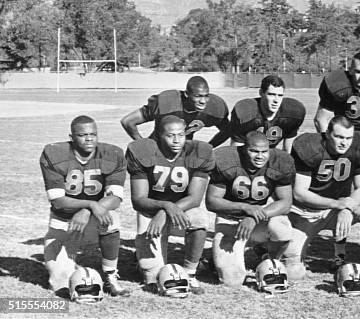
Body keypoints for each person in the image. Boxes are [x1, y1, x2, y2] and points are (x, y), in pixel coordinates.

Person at [39, 115, 129, 298]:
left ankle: (110, 277)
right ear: (71, 137)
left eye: (93, 134)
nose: (89, 139)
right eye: (83, 135)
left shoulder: (112, 154)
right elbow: (58, 200)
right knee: (60, 284)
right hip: (64, 222)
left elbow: (116, 198)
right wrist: (90, 204)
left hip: (93, 219)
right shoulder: (54, 153)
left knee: (112, 220)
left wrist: (88, 210)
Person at [125, 115, 215, 294]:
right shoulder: (144, 151)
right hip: (149, 211)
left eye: (181, 135)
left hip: (181, 209)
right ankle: (143, 262)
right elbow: (139, 200)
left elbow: (195, 199)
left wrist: (166, 211)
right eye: (170, 135)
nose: (176, 140)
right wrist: (165, 206)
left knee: (199, 218)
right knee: (154, 278)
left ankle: (190, 273)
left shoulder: (198, 152)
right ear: (158, 136)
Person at [284, 116, 360, 278]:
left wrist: (347, 207)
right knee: (293, 272)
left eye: (348, 138)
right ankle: (267, 247)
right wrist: (337, 204)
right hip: (308, 212)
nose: (344, 142)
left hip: (338, 208)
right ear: (327, 134)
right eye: (339, 137)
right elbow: (300, 192)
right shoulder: (309, 147)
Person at [206, 131, 297, 286]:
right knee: (232, 280)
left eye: (264, 152)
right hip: (231, 220)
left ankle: (269, 259)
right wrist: (245, 208)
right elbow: (212, 201)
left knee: (282, 227)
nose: (260, 156)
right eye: (254, 151)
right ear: (243, 149)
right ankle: (212, 260)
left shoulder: (280, 161)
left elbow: (285, 203)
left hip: (260, 218)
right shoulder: (227, 159)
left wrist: (254, 216)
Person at [120, 76, 231, 147]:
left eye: (206, 96)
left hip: (182, 152)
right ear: (187, 95)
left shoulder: (214, 108)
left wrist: (209, 146)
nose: (203, 101)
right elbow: (128, 121)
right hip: (158, 149)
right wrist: (142, 144)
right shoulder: (168, 102)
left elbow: (228, 131)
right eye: (198, 96)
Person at [229, 75, 305, 152]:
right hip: (249, 155)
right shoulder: (246, 113)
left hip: (270, 154)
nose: (276, 100)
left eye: (280, 95)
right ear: (261, 93)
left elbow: (288, 150)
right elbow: (236, 151)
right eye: (271, 94)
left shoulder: (291, 113)